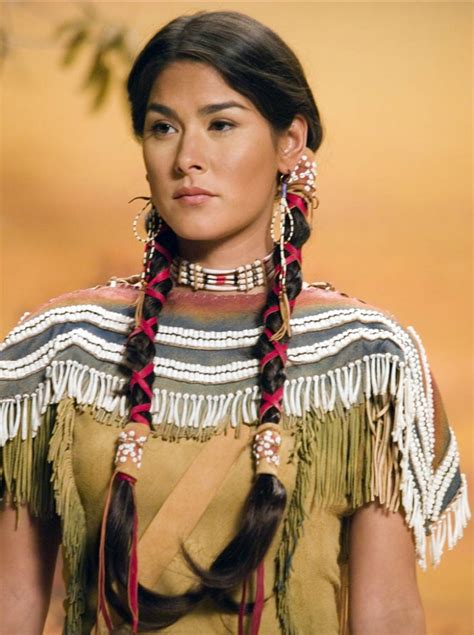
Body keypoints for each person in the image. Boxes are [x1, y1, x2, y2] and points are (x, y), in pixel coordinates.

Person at [0, 10, 470, 635]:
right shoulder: (55, 349)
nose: (187, 157)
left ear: (289, 142)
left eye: (221, 124)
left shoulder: (367, 358)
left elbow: (385, 612)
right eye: (162, 127)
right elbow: (12, 599)